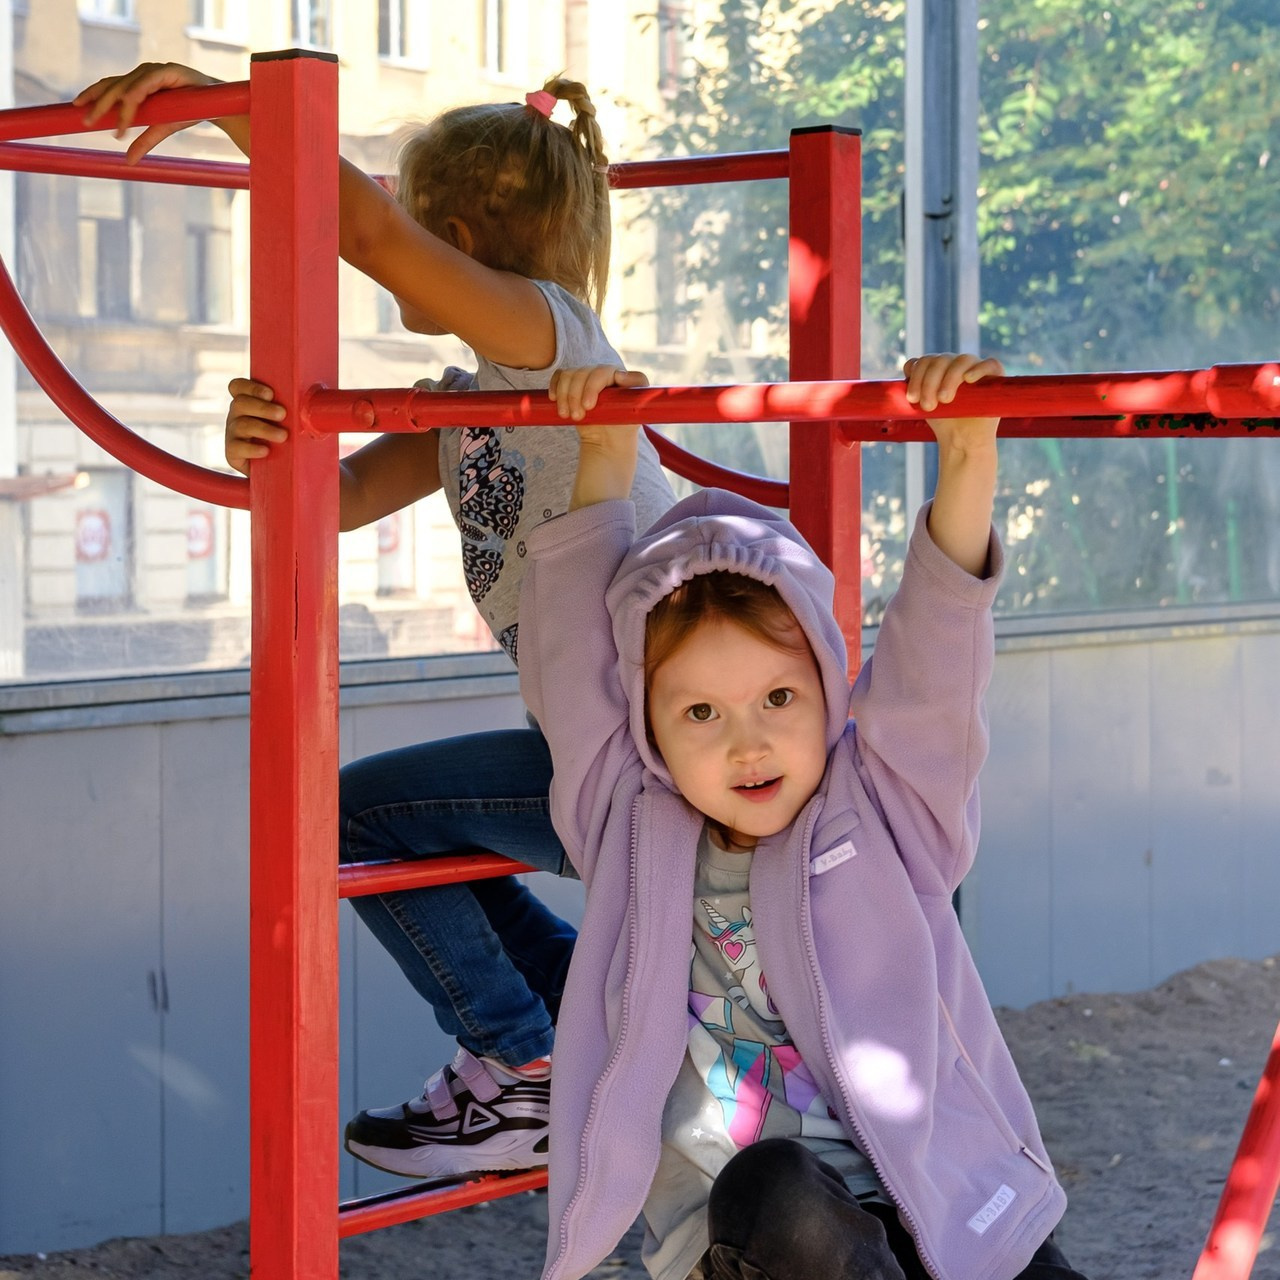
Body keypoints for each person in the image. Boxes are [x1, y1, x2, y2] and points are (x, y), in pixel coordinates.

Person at [75, 62, 676, 1179]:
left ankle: (521, 1064)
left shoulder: (551, 340)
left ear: (451, 231)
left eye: (412, 219)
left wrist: (237, 109)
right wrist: (263, 436)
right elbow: (336, 497)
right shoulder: (469, 400)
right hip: (598, 742)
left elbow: (366, 235)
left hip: (648, 748)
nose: (396, 237)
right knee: (421, 828)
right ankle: (566, 1034)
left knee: (350, 818)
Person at [517, 355, 1090, 1280]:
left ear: (828, 690)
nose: (747, 744)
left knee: (1014, 1257)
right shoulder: (627, 821)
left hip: (923, 1204)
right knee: (773, 1182)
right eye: (701, 712)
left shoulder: (882, 809)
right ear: (650, 724)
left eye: (779, 697)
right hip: (762, 1242)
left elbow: (934, 673)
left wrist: (968, 462)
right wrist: (600, 453)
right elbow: (574, 672)